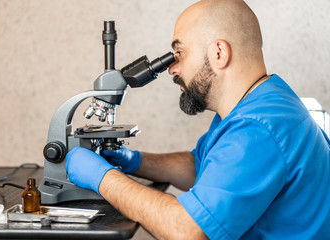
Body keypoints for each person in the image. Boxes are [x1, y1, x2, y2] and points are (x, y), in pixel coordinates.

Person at [66, 0, 330, 239]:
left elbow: (189, 231)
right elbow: (199, 166)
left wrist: (103, 178)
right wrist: (134, 162)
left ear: (218, 53)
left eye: (178, 53)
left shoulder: (257, 129)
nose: (172, 68)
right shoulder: (263, 103)